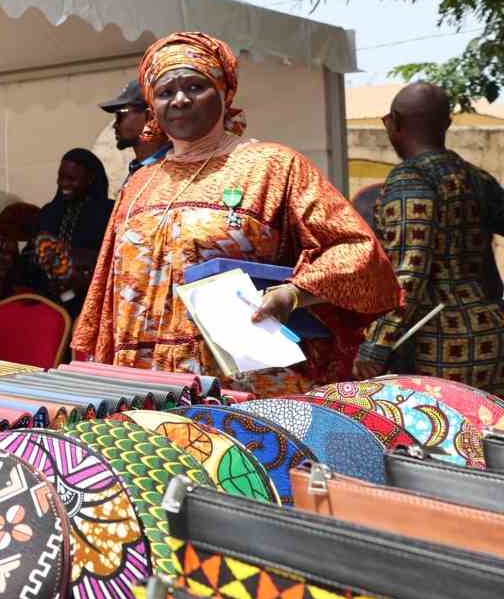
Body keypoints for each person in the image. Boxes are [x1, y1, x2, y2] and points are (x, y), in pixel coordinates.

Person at [73, 32, 399, 395]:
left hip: (241, 381)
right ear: (152, 105)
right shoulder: (140, 184)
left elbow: (356, 251)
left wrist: (292, 294)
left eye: (195, 86)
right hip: (144, 383)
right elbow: (106, 289)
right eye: (165, 92)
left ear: (224, 92)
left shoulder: (272, 166)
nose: (180, 100)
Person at [358, 83, 504, 390]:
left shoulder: (409, 181)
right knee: (490, 430)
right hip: (493, 335)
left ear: (393, 121)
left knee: (443, 432)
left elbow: (409, 271)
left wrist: (376, 344)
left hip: (436, 345)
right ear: (447, 124)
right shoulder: (477, 178)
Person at [27, 148, 114, 312]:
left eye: (71, 179)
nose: (64, 184)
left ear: (90, 179)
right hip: (48, 302)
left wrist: (75, 258)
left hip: (90, 304)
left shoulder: (108, 212)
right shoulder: (48, 212)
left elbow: (113, 258)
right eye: (61, 177)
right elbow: (30, 254)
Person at [101, 78, 171, 180]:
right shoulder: (138, 169)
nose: (115, 125)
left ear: (149, 117)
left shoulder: (171, 173)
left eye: (121, 115)